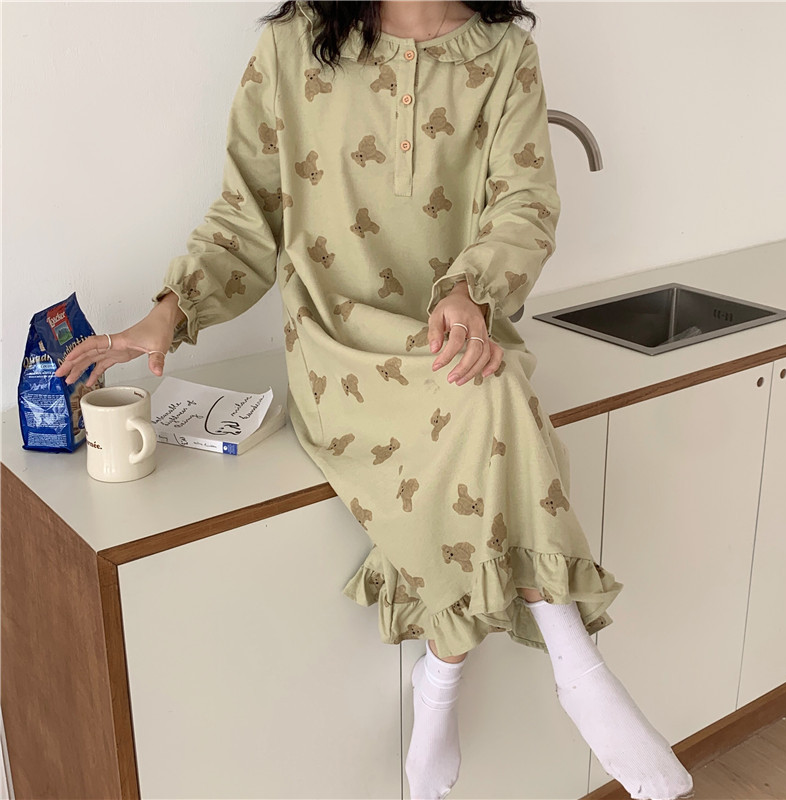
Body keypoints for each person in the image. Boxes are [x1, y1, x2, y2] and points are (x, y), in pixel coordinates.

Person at [54, 3, 695, 799]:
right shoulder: (292, 47)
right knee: (493, 402)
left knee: (486, 392)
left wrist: (469, 289)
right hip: (338, 347)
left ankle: (445, 683)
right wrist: (170, 312)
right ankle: (576, 666)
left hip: (454, 329)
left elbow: (525, 206)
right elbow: (247, 217)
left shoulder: (503, 56)